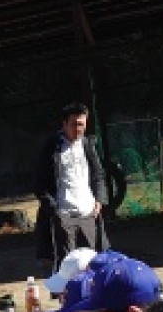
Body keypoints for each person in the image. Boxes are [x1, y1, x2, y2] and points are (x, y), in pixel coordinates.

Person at [33, 101, 109, 268]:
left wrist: (99, 201)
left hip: (88, 213)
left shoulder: (88, 145)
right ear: (64, 124)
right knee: (67, 266)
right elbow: (39, 184)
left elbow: (98, 175)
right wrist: (55, 210)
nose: (78, 129)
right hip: (64, 215)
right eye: (74, 124)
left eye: (82, 124)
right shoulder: (52, 147)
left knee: (91, 263)